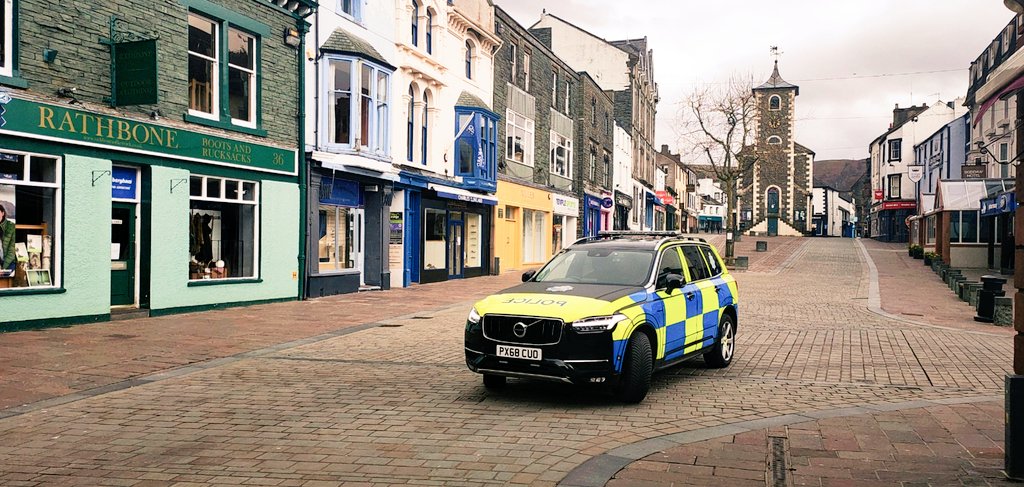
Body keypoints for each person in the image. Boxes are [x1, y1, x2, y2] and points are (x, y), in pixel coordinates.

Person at [0, 204, 15, 272]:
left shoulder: (11, 227)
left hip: (9, 262)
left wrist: (3, 268)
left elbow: (12, 250)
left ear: (2, 213)